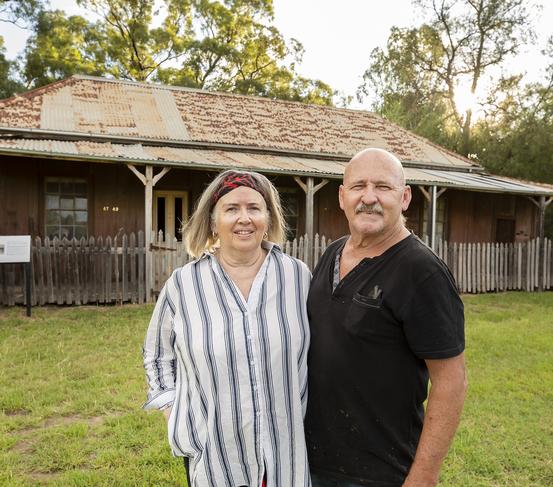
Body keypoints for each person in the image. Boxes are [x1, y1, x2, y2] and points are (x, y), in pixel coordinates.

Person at [305, 148, 467, 487]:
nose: (369, 197)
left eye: (383, 187)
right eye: (358, 186)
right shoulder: (332, 252)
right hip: (312, 461)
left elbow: (451, 382)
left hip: (382, 471)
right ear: (341, 196)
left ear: (405, 197)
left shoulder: (421, 272)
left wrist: (423, 475)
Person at [143, 170, 312, 487]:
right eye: (232, 208)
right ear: (212, 221)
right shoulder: (184, 285)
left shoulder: (297, 277)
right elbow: (157, 355)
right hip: (214, 455)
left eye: (254, 208)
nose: (244, 218)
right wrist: (175, 413)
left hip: (286, 453)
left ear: (268, 217)